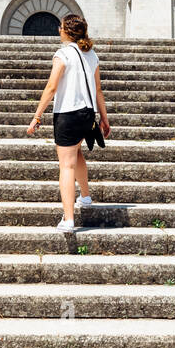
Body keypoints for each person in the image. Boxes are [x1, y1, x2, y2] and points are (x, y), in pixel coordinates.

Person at [26, 13, 110, 232]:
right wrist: (104, 118)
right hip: (88, 114)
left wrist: (37, 116)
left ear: (66, 31)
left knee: (66, 165)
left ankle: (69, 219)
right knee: (77, 153)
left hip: (68, 115)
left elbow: (51, 87)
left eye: (60, 27)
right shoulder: (91, 54)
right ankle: (86, 196)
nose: (58, 30)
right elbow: (98, 89)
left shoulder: (63, 54)